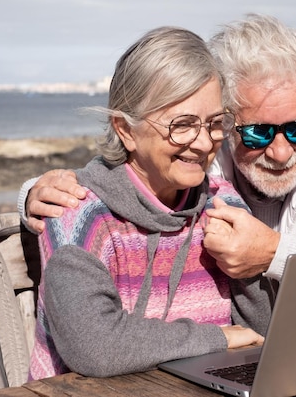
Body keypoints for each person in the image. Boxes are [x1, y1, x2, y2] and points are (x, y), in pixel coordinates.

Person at [19, 14, 296, 336]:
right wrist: (33, 194)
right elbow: (123, 172)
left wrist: (274, 255)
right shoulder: (203, 158)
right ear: (226, 121)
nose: (281, 152)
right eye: (258, 132)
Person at [28, 26, 263, 380]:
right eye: (181, 125)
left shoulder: (222, 203)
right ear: (125, 129)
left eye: (215, 123)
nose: (203, 143)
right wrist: (217, 338)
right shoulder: (79, 214)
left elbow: (261, 333)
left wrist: (251, 268)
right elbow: (96, 348)